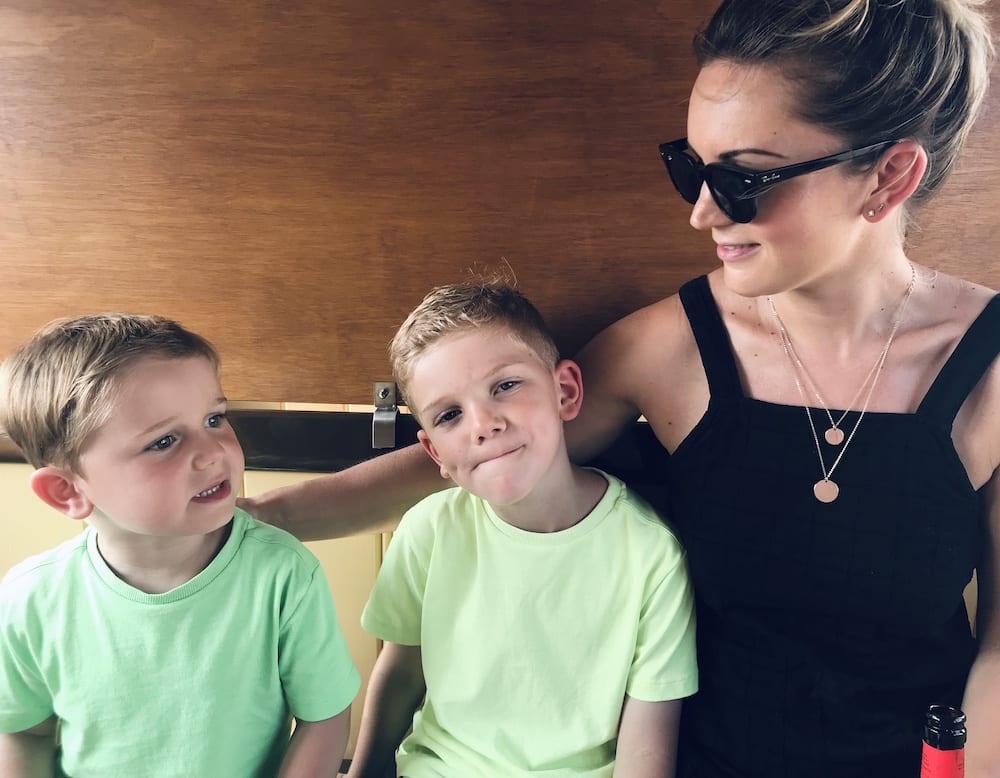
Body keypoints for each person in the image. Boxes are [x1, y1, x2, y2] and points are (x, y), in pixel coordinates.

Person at [239, 0, 999, 775]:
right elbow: (479, 451)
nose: (702, 212)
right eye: (692, 170)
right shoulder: (664, 349)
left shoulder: (992, 367)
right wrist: (249, 520)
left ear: (890, 175)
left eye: (744, 179)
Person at [345, 282, 697, 778]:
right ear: (435, 453)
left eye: (505, 386)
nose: (482, 425)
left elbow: (647, 748)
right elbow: (401, 673)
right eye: (450, 414)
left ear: (565, 392)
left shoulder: (651, 553)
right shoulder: (428, 529)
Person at [0, 314, 361, 777]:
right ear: (67, 491)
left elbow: (323, 717)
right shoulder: (30, 598)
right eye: (164, 441)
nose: (213, 452)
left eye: (215, 419)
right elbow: (25, 732)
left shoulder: (283, 574)